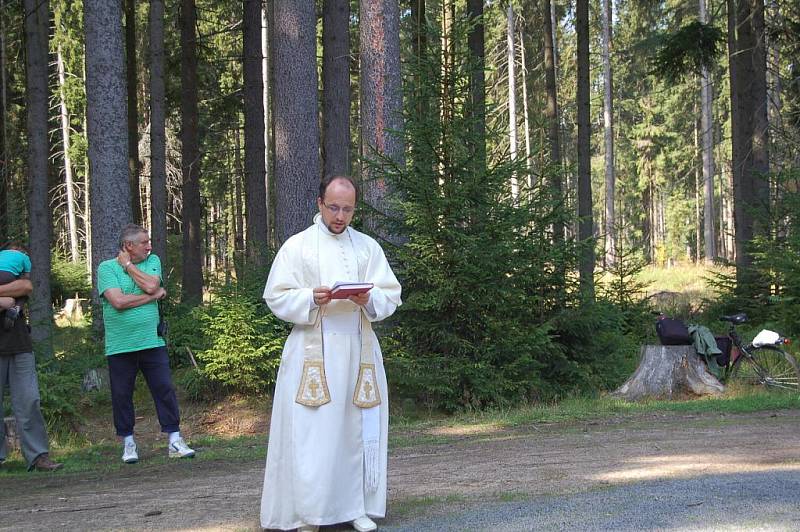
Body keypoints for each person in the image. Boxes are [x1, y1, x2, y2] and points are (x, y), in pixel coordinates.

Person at [260, 176, 402, 532]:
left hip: (358, 350)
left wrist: (368, 298)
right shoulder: (298, 247)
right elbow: (276, 295)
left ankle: (357, 507)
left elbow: (391, 294)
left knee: (355, 430)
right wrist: (310, 297)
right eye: (334, 207)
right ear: (320, 203)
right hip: (313, 353)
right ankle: (310, 512)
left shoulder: (367, 248)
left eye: (348, 209)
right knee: (313, 435)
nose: (340, 216)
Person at [97, 224, 194, 464]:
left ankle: (174, 439)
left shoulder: (153, 261)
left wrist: (129, 267)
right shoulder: (106, 268)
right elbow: (118, 301)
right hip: (120, 345)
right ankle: (128, 443)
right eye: (144, 242)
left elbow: (152, 284)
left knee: (164, 389)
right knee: (122, 395)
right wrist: (151, 297)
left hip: (152, 341)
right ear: (129, 245)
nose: (149, 246)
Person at [0, 258, 63, 472]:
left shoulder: (13, 275)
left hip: (20, 346)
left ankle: (38, 457)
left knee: (30, 400)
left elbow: (25, 286)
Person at [0, 243, 31, 330]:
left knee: (9, 300)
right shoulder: (24, 256)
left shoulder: (2, 253)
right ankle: (16, 309)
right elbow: (27, 278)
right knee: (22, 294)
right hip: (8, 276)